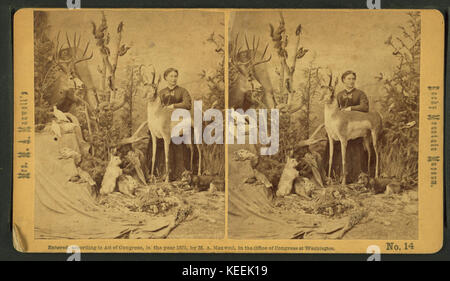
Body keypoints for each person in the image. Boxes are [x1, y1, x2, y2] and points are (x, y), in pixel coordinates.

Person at [330, 70, 372, 183]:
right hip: (341, 127)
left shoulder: (360, 94)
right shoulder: (339, 95)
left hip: (355, 128)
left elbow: (365, 107)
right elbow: (335, 111)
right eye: (349, 79)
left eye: (353, 78)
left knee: (355, 147)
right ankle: (336, 176)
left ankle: (357, 178)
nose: (351, 81)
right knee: (333, 142)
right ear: (343, 80)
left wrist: (350, 108)